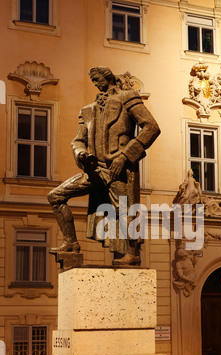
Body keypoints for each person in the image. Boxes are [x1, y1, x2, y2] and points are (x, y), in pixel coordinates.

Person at [48, 66, 160, 265]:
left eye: (97, 80)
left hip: (118, 167)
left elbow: (151, 127)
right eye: (93, 81)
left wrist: (125, 156)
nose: (95, 84)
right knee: (56, 196)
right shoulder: (88, 110)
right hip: (94, 170)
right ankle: (71, 243)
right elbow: (78, 140)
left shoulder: (127, 97)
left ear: (107, 78)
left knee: (125, 210)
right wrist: (80, 153)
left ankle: (132, 254)